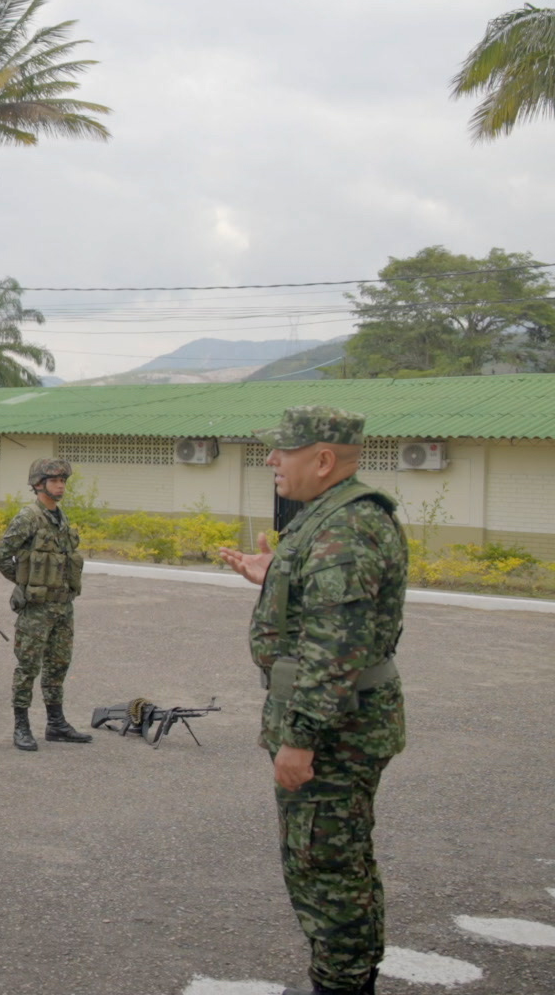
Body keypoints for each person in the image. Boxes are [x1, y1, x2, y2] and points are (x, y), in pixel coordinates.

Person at [219, 407, 407, 995]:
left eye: (284, 451)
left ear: (323, 460)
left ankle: (343, 984)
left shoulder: (347, 528)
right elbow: (331, 610)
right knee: (336, 863)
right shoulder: (327, 520)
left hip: (331, 735)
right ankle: (351, 977)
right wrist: (279, 573)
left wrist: (299, 740)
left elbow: (335, 651)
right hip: (334, 725)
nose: (272, 460)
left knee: (326, 870)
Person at [0, 458, 91, 751]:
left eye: (63, 481)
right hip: (37, 608)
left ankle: (56, 723)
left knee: (58, 665)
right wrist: (24, 585)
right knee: (28, 666)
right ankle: (21, 726)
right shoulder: (29, 517)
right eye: (55, 481)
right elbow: (2, 556)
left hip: (63, 606)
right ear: (38, 484)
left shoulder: (61, 517)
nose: (61, 485)